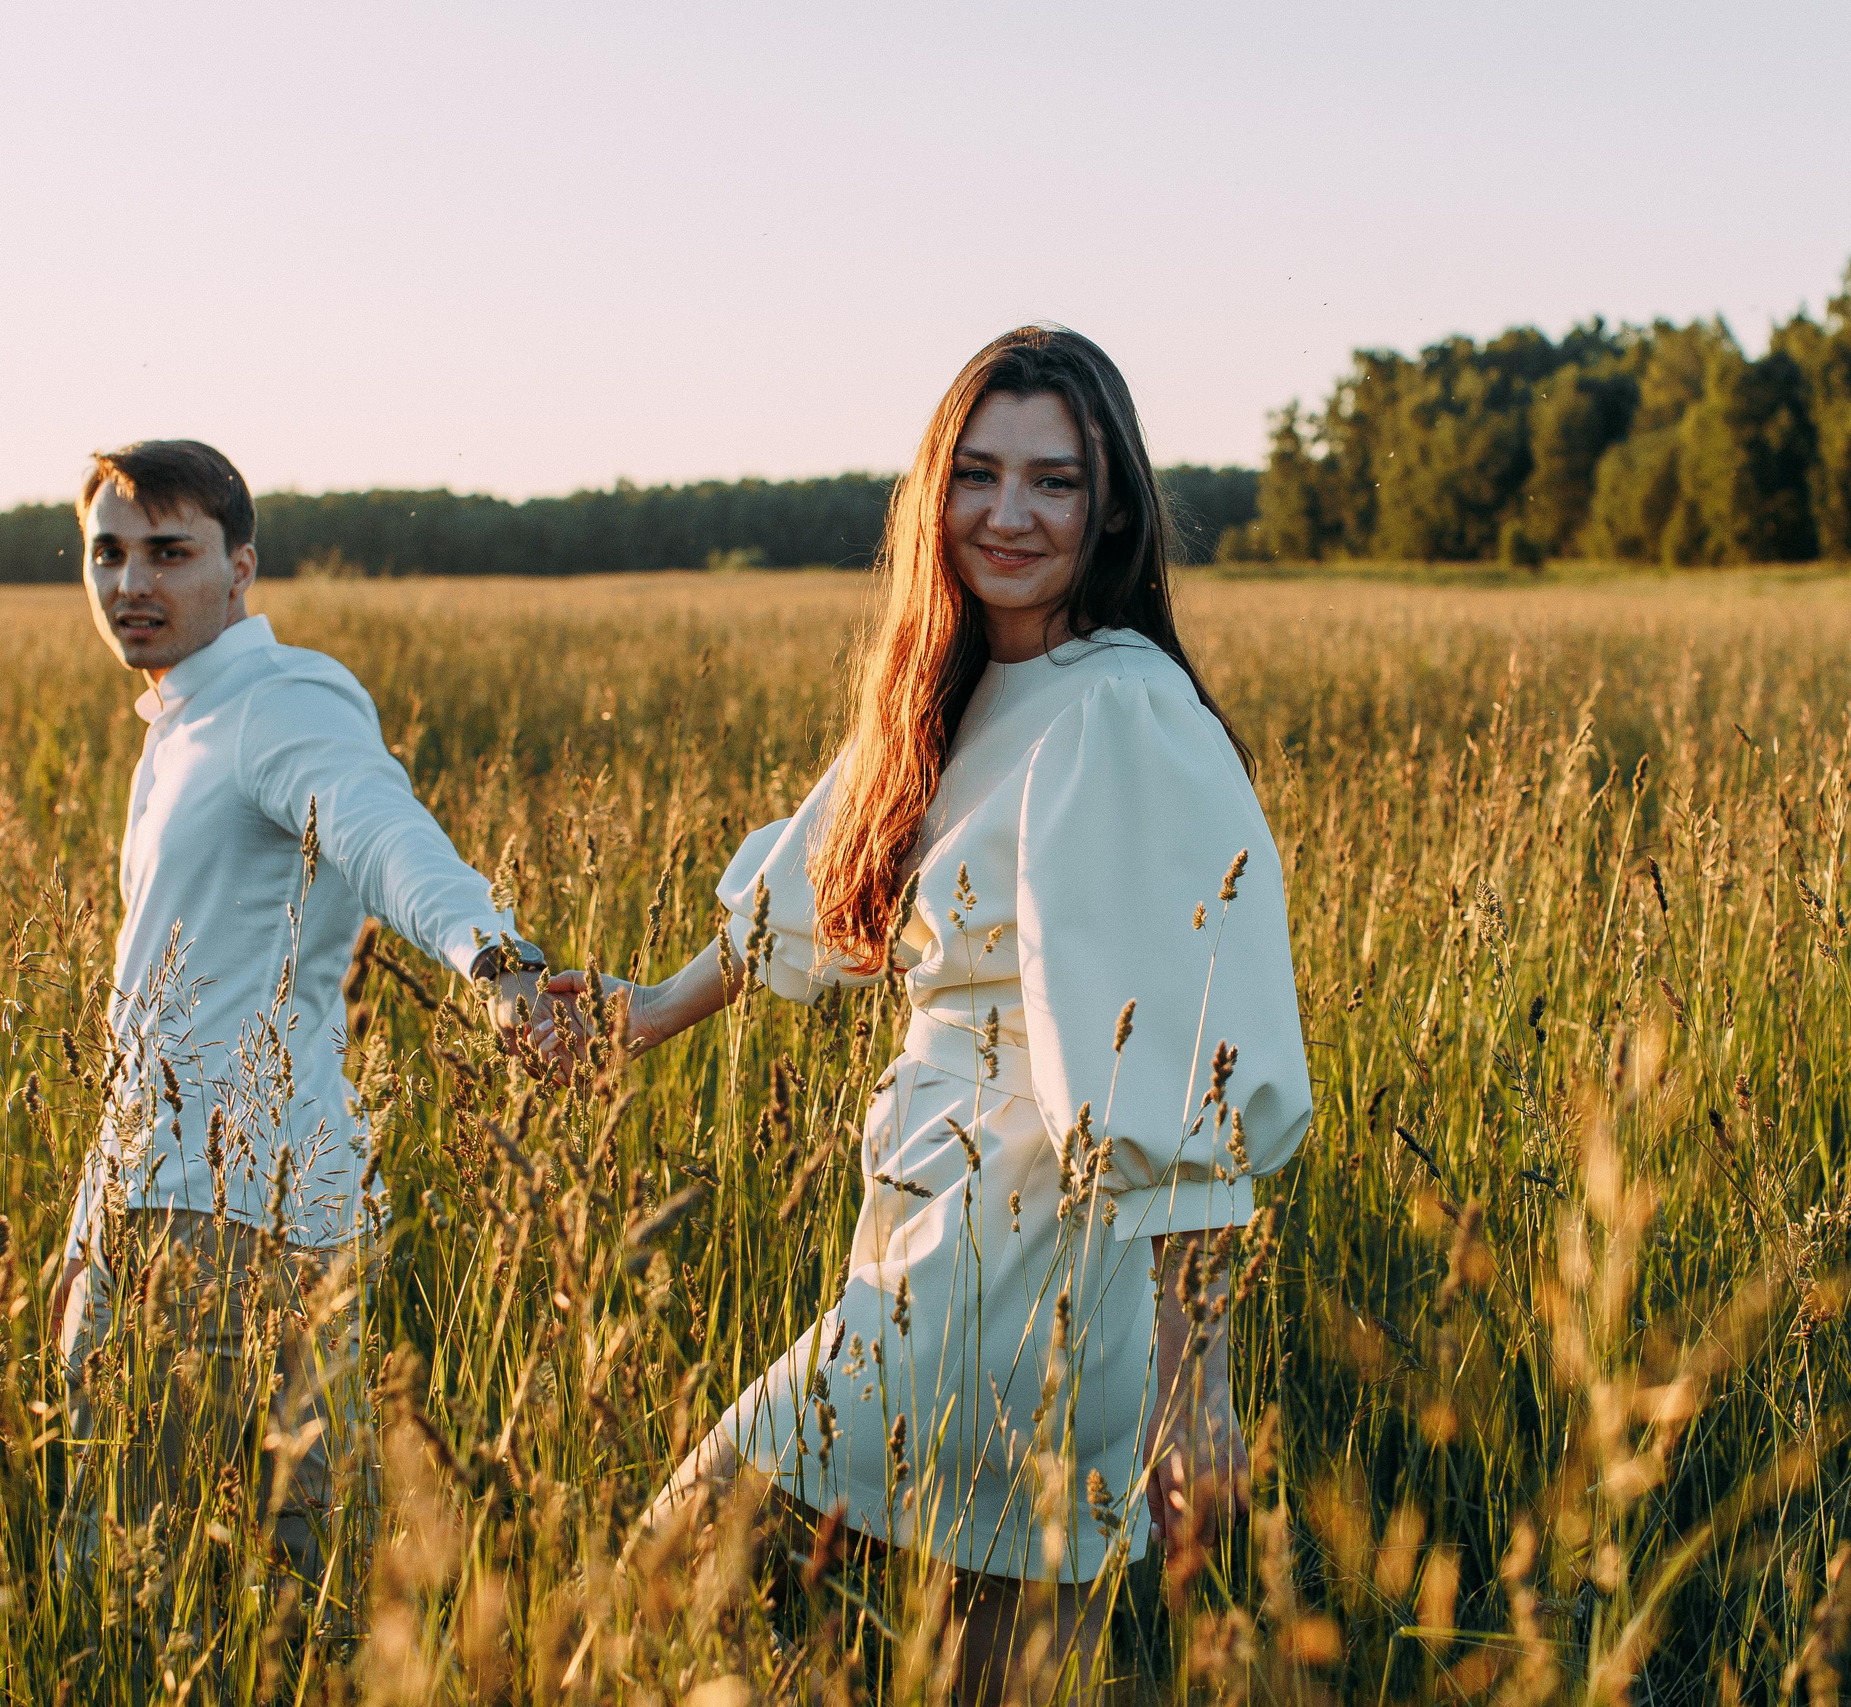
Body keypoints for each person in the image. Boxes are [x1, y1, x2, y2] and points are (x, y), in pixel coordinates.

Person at [537, 327, 1312, 1696]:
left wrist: (1200, 1385)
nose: (1008, 515)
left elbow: (1183, 1057)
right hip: (927, 1210)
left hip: (1039, 1246)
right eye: (978, 474)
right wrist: (645, 1012)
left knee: (672, 1563)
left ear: (1113, 502)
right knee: (991, 1655)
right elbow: (828, 882)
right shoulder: (947, 689)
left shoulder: (1123, 709)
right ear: (929, 493)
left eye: (1054, 482)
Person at [51, 439, 548, 1592]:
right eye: (108, 554)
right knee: (309, 1575)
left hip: (208, 1215)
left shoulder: (279, 704)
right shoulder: (183, 720)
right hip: (234, 1194)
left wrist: (500, 967)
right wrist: (88, 1223)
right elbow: (161, 1015)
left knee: (138, 1574)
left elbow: (386, 838)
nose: (131, 585)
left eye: (169, 553)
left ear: (241, 569)